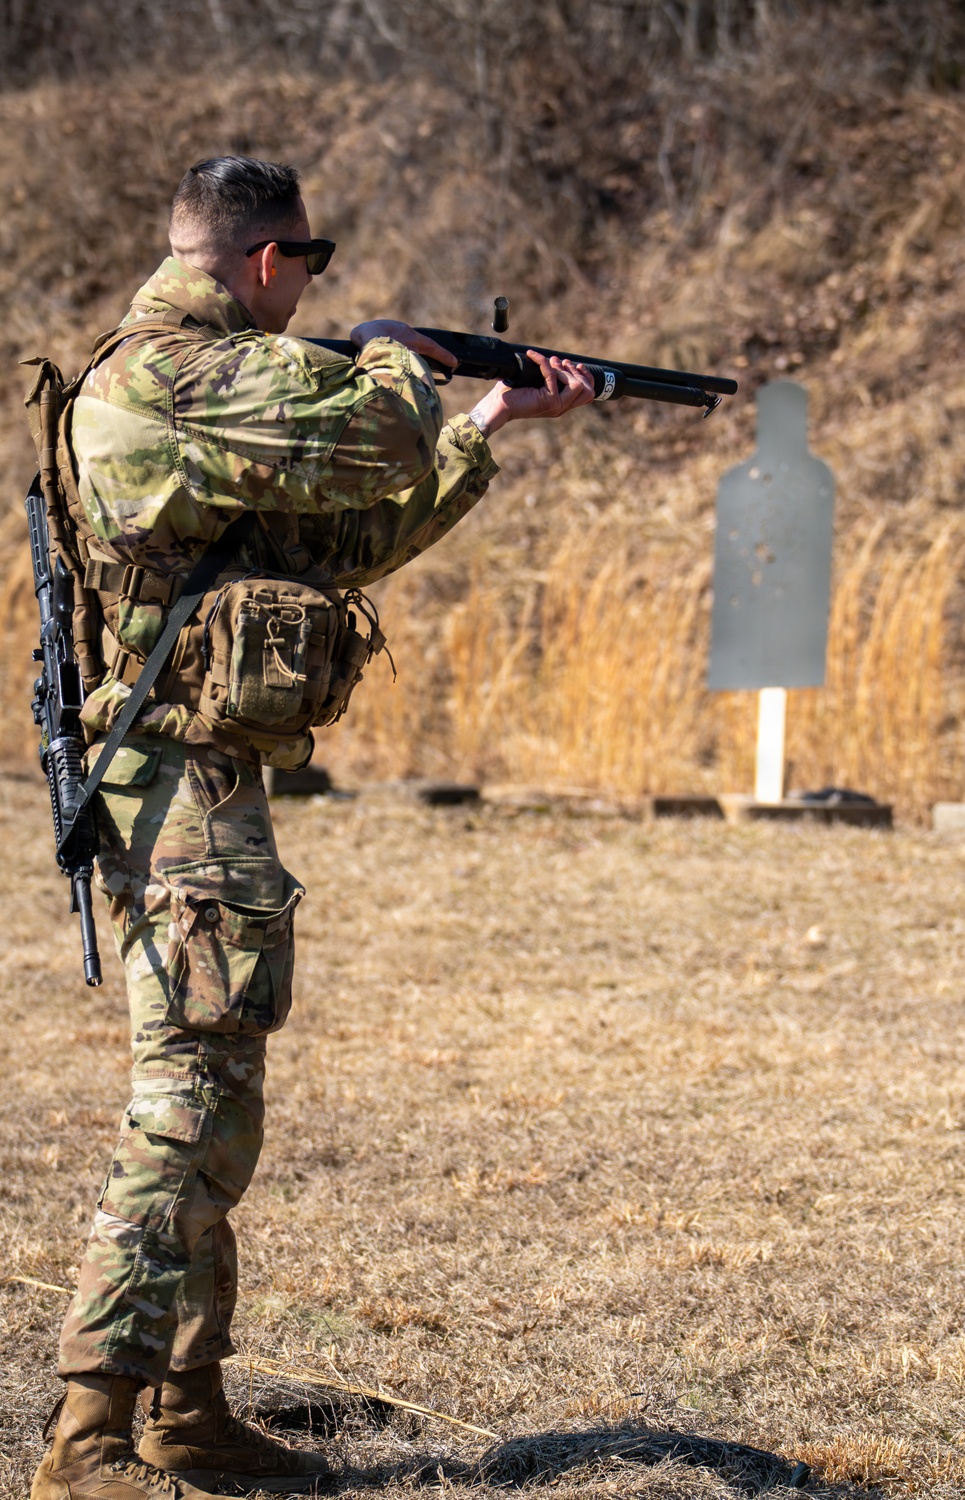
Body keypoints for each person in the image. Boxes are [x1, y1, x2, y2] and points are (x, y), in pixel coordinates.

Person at [31, 156, 594, 1500]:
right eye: (312, 267)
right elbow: (377, 422)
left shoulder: (196, 389)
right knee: (186, 1108)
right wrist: (409, 359)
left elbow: (332, 549)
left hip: (201, 781)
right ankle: (88, 1435)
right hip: (171, 783)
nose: (314, 297)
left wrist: (489, 422)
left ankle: (182, 1409)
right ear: (270, 258)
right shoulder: (166, 370)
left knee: (220, 1106)